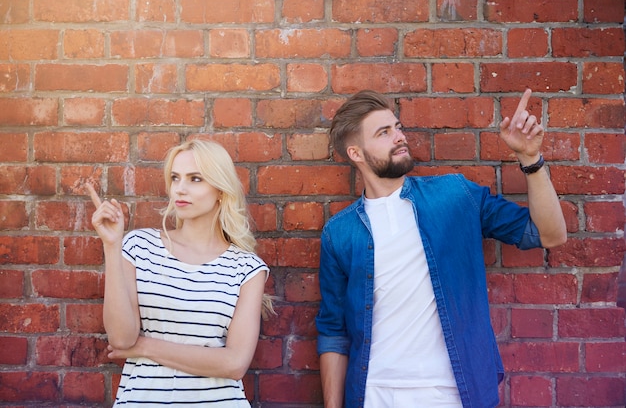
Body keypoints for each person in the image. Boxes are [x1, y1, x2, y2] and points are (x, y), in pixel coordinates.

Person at [315, 89, 567, 408]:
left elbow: (549, 235)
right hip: (374, 394)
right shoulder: (340, 232)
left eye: (397, 127)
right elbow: (333, 332)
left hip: (452, 394)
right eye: (384, 132)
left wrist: (530, 158)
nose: (399, 137)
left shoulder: (455, 196)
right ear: (356, 153)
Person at [87, 139, 271, 407]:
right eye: (175, 178)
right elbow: (121, 338)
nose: (180, 189)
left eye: (195, 179)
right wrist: (112, 245)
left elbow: (234, 364)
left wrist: (145, 347)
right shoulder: (139, 246)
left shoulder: (247, 268)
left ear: (220, 190)